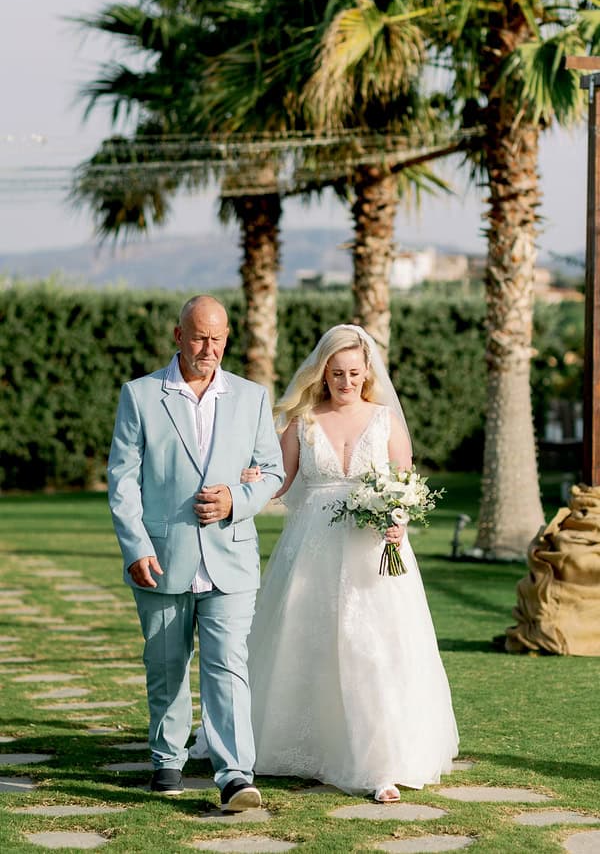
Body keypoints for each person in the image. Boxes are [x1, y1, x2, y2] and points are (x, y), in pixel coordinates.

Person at [244, 324, 459, 802]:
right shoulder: (303, 420)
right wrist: (249, 480)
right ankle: (304, 747)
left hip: (373, 553)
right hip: (310, 551)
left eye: (353, 373)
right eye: (336, 373)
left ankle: (380, 763)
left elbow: (405, 483)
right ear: (323, 373)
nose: (344, 382)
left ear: (366, 374)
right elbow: (278, 482)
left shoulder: (384, 420)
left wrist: (399, 520)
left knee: (373, 649)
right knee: (305, 641)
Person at [107, 295, 284, 812]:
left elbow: (270, 473)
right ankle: (167, 758)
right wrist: (135, 546)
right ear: (177, 337)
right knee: (165, 663)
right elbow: (122, 481)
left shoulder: (252, 397)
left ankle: (234, 775)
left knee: (228, 666)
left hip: (231, 556)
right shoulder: (140, 396)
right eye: (200, 337)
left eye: (219, 338)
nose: (210, 348)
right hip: (161, 556)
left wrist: (236, 500)